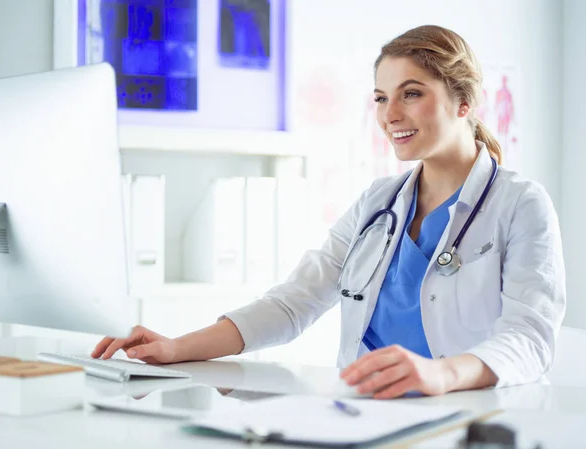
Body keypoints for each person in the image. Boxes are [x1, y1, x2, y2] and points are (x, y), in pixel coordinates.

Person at [92, 25, 566, 399]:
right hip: (365, 411)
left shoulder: (520, 204)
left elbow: (529, 339)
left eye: (411, 93)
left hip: (467, 417)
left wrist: (440, 374)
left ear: (464, 102)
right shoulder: (377, 203)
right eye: (381, 98)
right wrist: (176, 347)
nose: (389, 115)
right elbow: (293, 302)